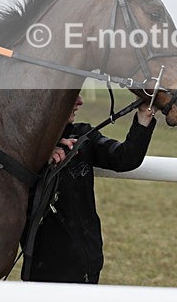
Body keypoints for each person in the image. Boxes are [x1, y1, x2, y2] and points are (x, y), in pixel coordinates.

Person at [22, 95, 156, 284]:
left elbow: (126, 158)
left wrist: (144, 116)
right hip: (46, 269)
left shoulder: (83, 134)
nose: (80, 101)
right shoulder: (21, 147)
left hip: (90, 263)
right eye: (72, 94)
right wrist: (41, 153)